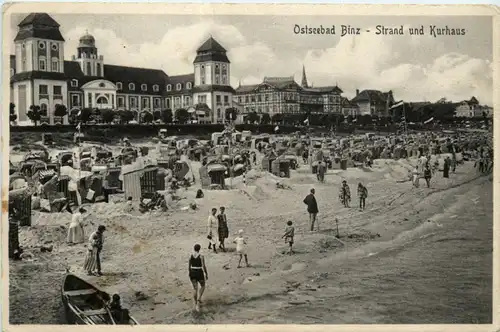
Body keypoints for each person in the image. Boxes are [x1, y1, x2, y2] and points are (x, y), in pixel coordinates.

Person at [188, 244, 208, 311]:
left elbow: (189, 266)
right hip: (199, 272)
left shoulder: (191, 256)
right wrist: (206, 273)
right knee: (203, 285)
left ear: (194, 249)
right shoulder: (201, 256)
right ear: (199, 249)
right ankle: (199, 298)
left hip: (192, 272)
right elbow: (203, 266)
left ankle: (196, 304)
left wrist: (190, 273)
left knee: (195, 289)